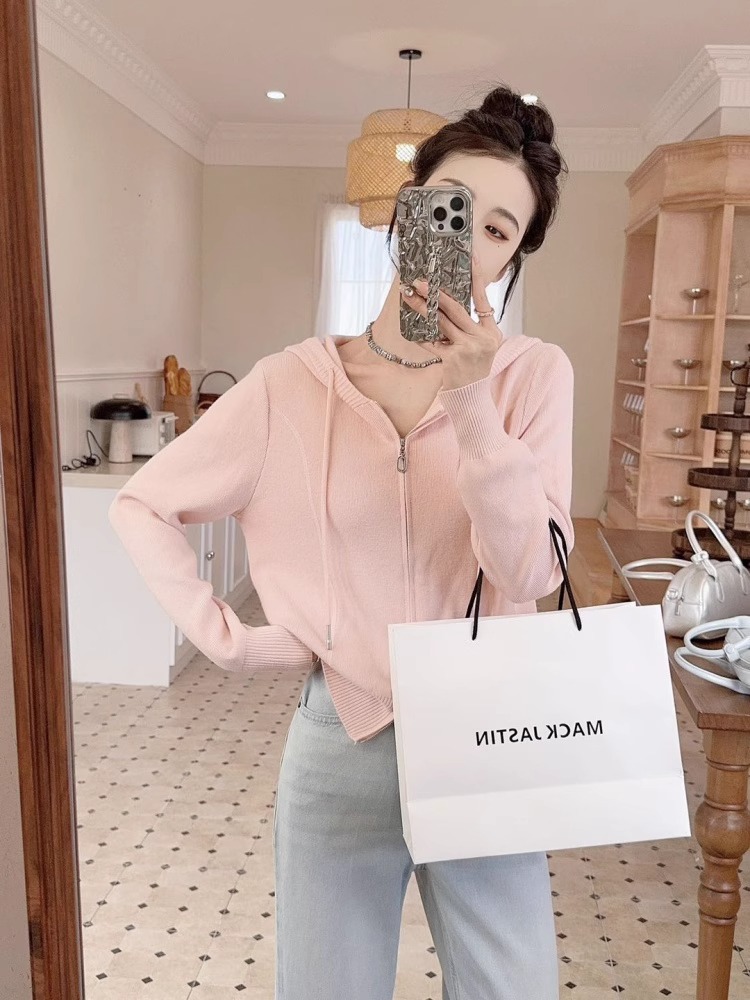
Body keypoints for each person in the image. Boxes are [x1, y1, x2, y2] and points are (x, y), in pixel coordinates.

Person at [108, 82, 575, 1000]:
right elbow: (142, 503)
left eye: (498, 230)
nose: (468, 242)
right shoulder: (289, 384)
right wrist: (226, 638)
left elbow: (530, 573)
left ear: (512, 257)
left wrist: (472, 404)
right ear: (406, 210)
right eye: (453, 209)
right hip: (343, 739)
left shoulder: (532, 377)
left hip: (487, 730)